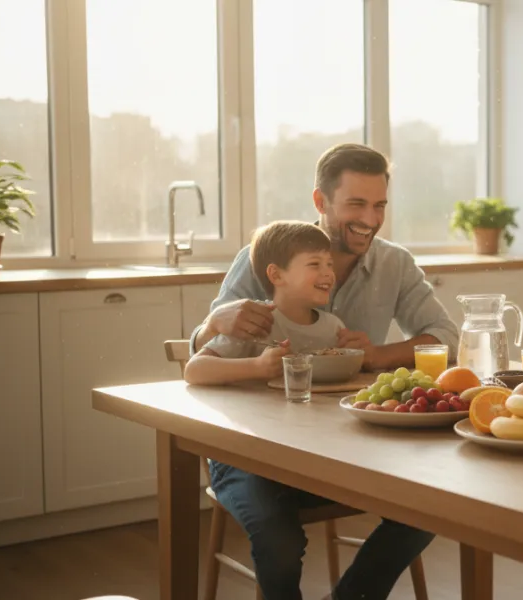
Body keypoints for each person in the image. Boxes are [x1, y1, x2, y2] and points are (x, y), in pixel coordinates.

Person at [188, 143, 458, 600]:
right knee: (278, 540)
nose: (370, 220)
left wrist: (375, 356)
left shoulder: (394, 263)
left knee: (436, 505)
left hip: (344, 450)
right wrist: (213, 324)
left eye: (379, 206)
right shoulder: (265, 254)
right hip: (253, 451)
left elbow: (446, 340)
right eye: (356, 204)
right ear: (321, 202)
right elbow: (203, 350)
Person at [183, 221, 340, 385]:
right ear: (276, 275)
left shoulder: (334, 327)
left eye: (329, 264)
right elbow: (194, 370)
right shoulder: (255, 321)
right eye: (315, 264)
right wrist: (257, 366)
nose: (328, 273)